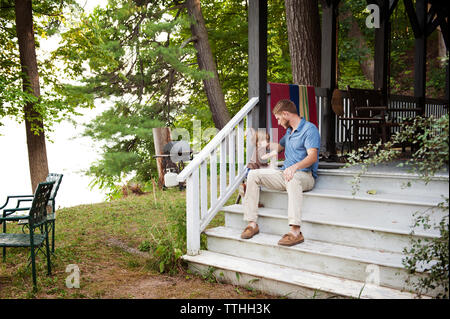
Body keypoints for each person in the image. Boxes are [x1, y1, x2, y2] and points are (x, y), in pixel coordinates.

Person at [240, 99, 320, 246]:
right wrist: (266, 144)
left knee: (293, 178)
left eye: (278, 118)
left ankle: (295, 231)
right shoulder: (289, 132)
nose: (277, 122)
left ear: (285, 114)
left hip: (304, 176)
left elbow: (312, 156)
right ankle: (252, 224)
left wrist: (294, 167)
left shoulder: (310, 129)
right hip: (285, 174)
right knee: (253, 174)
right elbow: (280, 147)